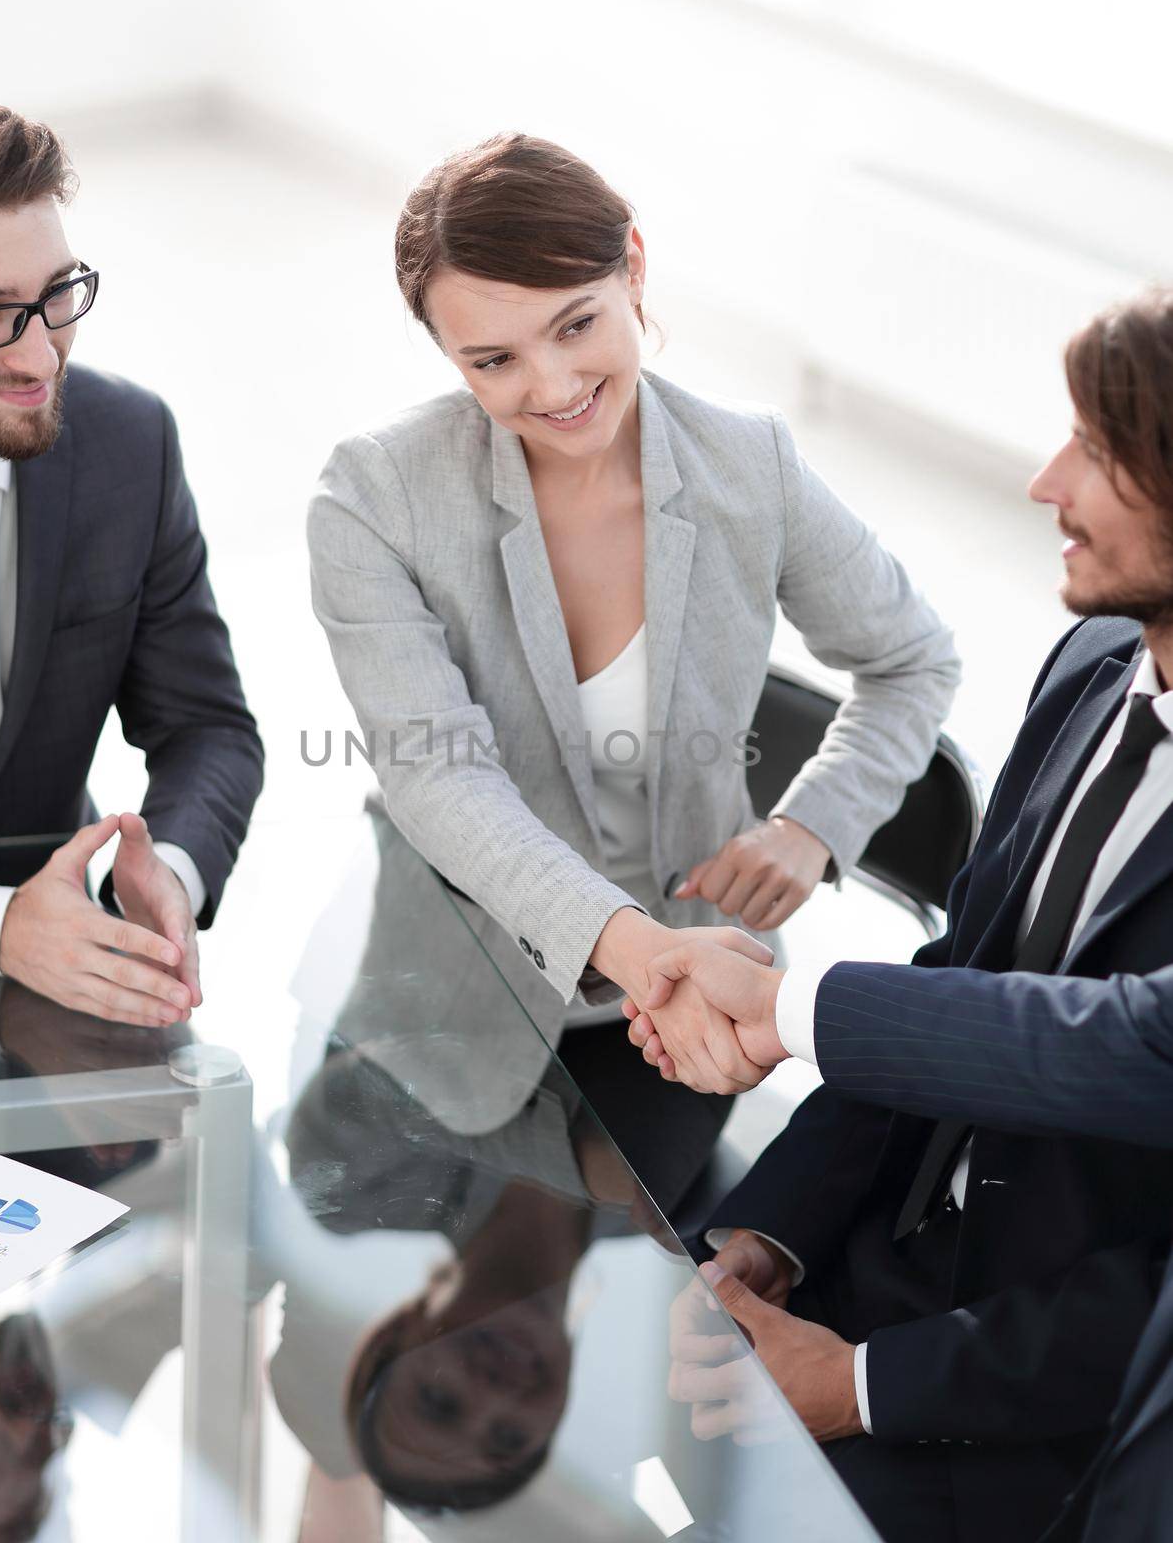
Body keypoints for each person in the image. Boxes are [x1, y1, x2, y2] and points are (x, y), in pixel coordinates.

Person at [624, 287, 1173, 1542]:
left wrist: (859, 1386)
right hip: (878, 1275)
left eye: (1096, 451)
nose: (1043, 484)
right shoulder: (1092, 664)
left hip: (1050, 1417)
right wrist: (773, 1231)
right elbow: (961, 980)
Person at [308, 131, 959, 1160]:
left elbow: (911, 659)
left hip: (682, 1015)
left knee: (632, 1281)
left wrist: (812, 824)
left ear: (634, 270)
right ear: (446, 358)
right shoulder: (375, 499)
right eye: (493, 359)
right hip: (451, 1003)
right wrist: (631, 944)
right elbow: (442, 783)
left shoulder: (750, 467)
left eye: (576, 324)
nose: (553, 383)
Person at [0, 93, 262, 1021]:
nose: (41, 354)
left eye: (57, 295)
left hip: (52, 977)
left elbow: (207, 727)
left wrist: (166, 870)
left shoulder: (128, 443)